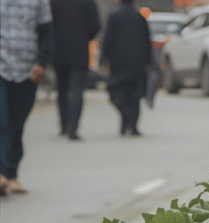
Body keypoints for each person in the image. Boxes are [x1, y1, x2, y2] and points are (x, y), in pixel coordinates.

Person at [0, 0, 54, 196]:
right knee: (1, 120)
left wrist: (42, 62)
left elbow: (47, 30)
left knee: (17, 123)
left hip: (27, 70)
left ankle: (11, 173)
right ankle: (1, 172)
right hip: (1, 68)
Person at [100, 0, 152, 137]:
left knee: (116, 93)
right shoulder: (139, 17)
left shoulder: (114, 17)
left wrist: (103, 58)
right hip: (137, 63)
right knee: (134, 96)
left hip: (118, 62)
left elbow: (107, 38)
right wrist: (149, 62)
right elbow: (147, 41)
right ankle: (132, 125)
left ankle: (126, 119)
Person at [50, 0, 100, 141]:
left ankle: (64, 124)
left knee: (62, 89)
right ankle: (73, 127)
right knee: (77, 89)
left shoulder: (55, 2)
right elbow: (96, 25)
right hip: (79, 50)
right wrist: (84, 36)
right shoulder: (88, 2)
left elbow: (49, 24)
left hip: (59, 50)